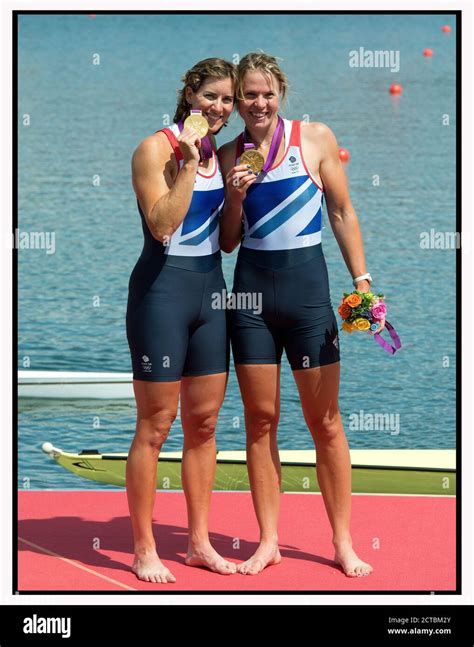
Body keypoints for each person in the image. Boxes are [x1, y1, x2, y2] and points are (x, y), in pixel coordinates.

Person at [218, 52, 384, 577]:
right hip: (250, 303)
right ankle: (268, 540)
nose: (258, 102)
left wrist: (363, 284)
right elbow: (226, 244)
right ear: (239, 100)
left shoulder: (314, 139)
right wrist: (235, 198)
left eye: (267, 92)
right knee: (260, 421)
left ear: (280, 93)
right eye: (249, 94)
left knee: (326, 423)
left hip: (309, 298)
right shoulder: (228, 157)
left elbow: (341, 212)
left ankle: (342, 542)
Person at [126, 58, 238, 583]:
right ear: (189, 93)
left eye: (227, 100)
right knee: (155, 426)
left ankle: (198, 544)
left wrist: (237, 190)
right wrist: (190, 164)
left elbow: (230, 238)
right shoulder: (155, 148)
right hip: (161, 294)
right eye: (210, 96)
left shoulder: (224, 151)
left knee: (206, 425)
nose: (219, 108)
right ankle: (144, 548)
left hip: (210, 296)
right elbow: (162, 224)